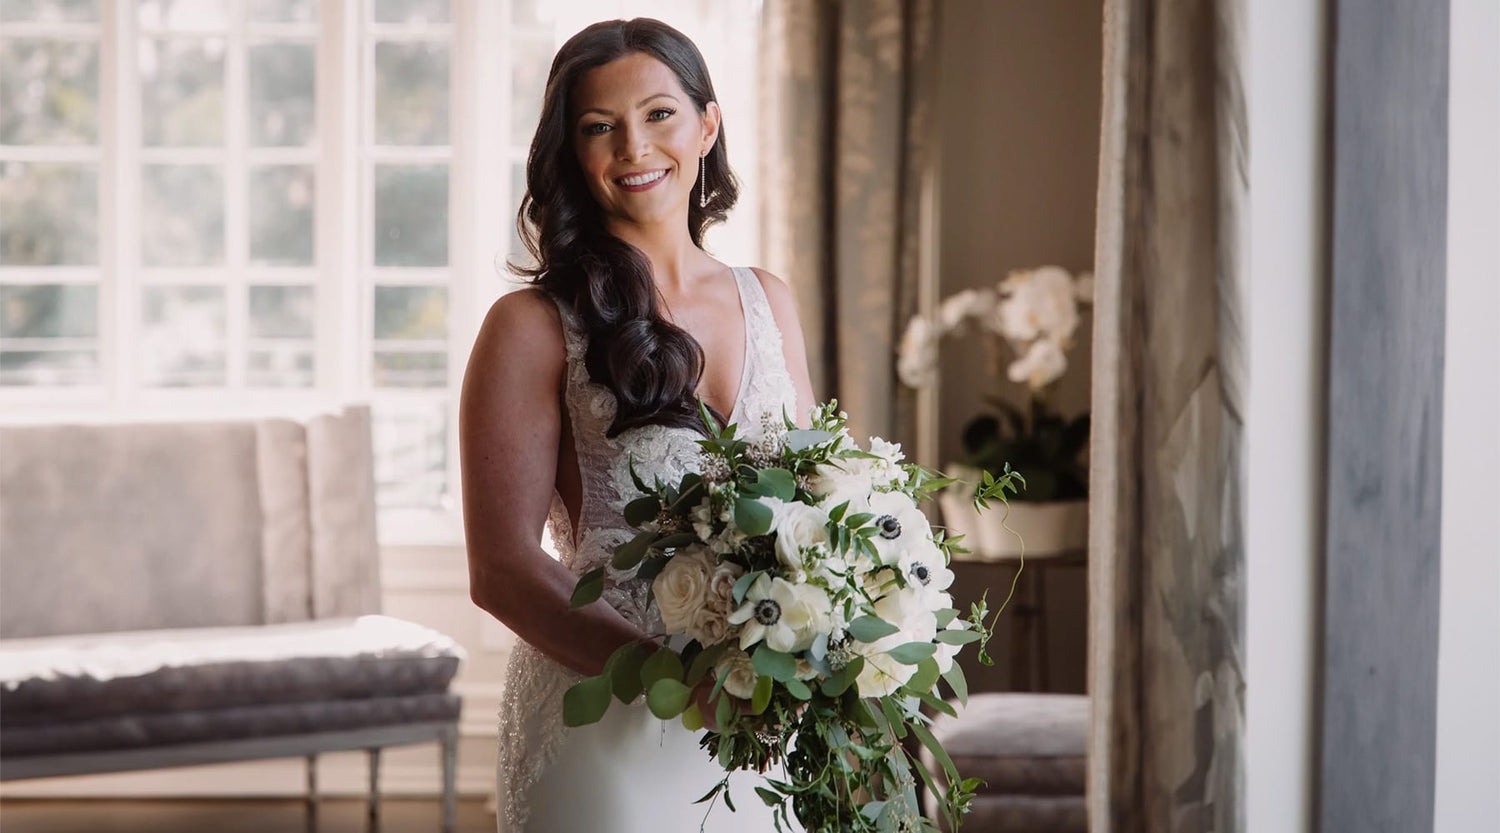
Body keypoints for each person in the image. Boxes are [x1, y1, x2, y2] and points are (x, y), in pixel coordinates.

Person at [459, 18, 817, 833]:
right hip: (610, 725)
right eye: (598, 127)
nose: (633, 147)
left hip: (764, 735)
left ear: (707, 125)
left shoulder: (771, 298)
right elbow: (503, 569)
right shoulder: (531, 325)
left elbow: (816, 506)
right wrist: (676, 681)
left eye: (658, 114)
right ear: (572, 154)